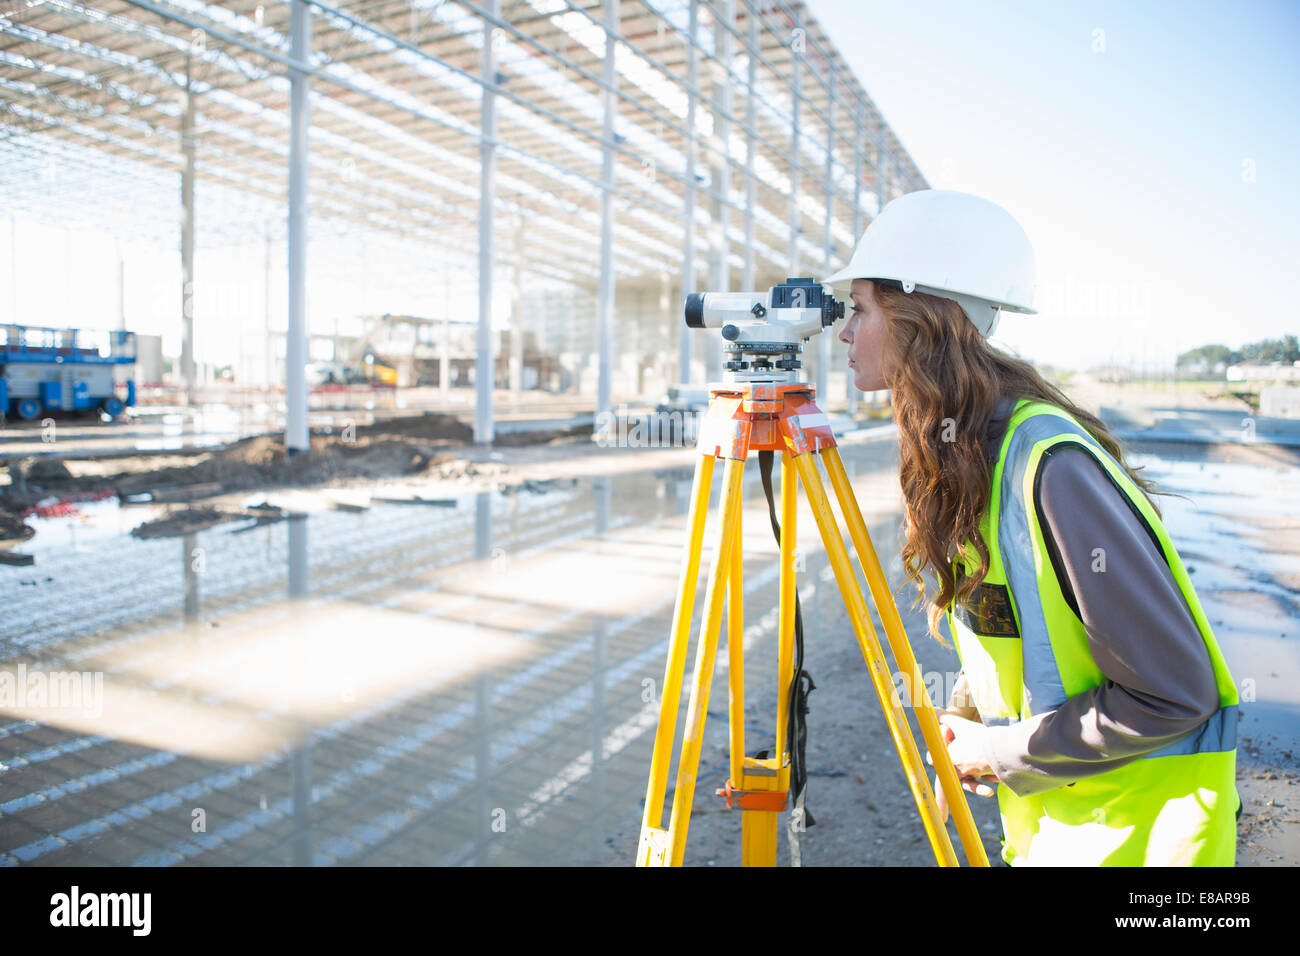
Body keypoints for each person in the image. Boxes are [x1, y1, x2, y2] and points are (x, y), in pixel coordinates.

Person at [821, 190, 1240, 866]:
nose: (843, 331)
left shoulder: (1050, 468)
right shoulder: (970, 455)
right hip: (1062, 837)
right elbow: (1012, 624)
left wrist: (999, 752)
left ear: (916, 318)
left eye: (860, 309)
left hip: (1146, 849)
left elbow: (1172, 693)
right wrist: (968, 715)